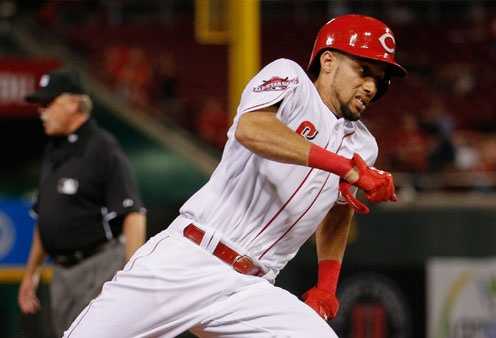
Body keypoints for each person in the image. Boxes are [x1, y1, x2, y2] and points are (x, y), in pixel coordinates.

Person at [64, 14, 404, 338]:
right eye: (363, 70)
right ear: (328, 61)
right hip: (189, 259)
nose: (371, 86)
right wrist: (345, 167)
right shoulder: (291, 79)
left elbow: (337, 208)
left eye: (380, 79)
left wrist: (327, 286)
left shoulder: (363, 145)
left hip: (252, 289)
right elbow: (251, 129)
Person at [18, 69, 147, 336]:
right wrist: (31, 274)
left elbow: (133, 213)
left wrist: (133, 277)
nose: (41, 111)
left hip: (97, 267)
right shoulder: (55, 150)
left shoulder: (102, 148)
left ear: (73, 103)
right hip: (62, 273)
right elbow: (46, 219)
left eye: (47, 103)